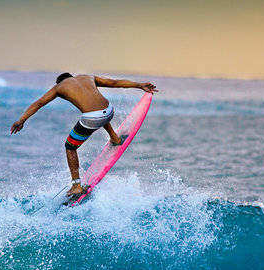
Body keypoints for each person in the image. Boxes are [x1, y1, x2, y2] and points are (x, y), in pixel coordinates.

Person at [10, 73, 158, 196]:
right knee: (98, 114)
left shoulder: (59, 87)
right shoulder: (87, 77)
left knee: (70, 146)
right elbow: (114, 82)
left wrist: (21, 120)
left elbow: (39, 103)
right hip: (109, 110)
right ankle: (115, 137)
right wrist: (139, 85)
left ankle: (76, 186)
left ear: (60, 82)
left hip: (94, 117)